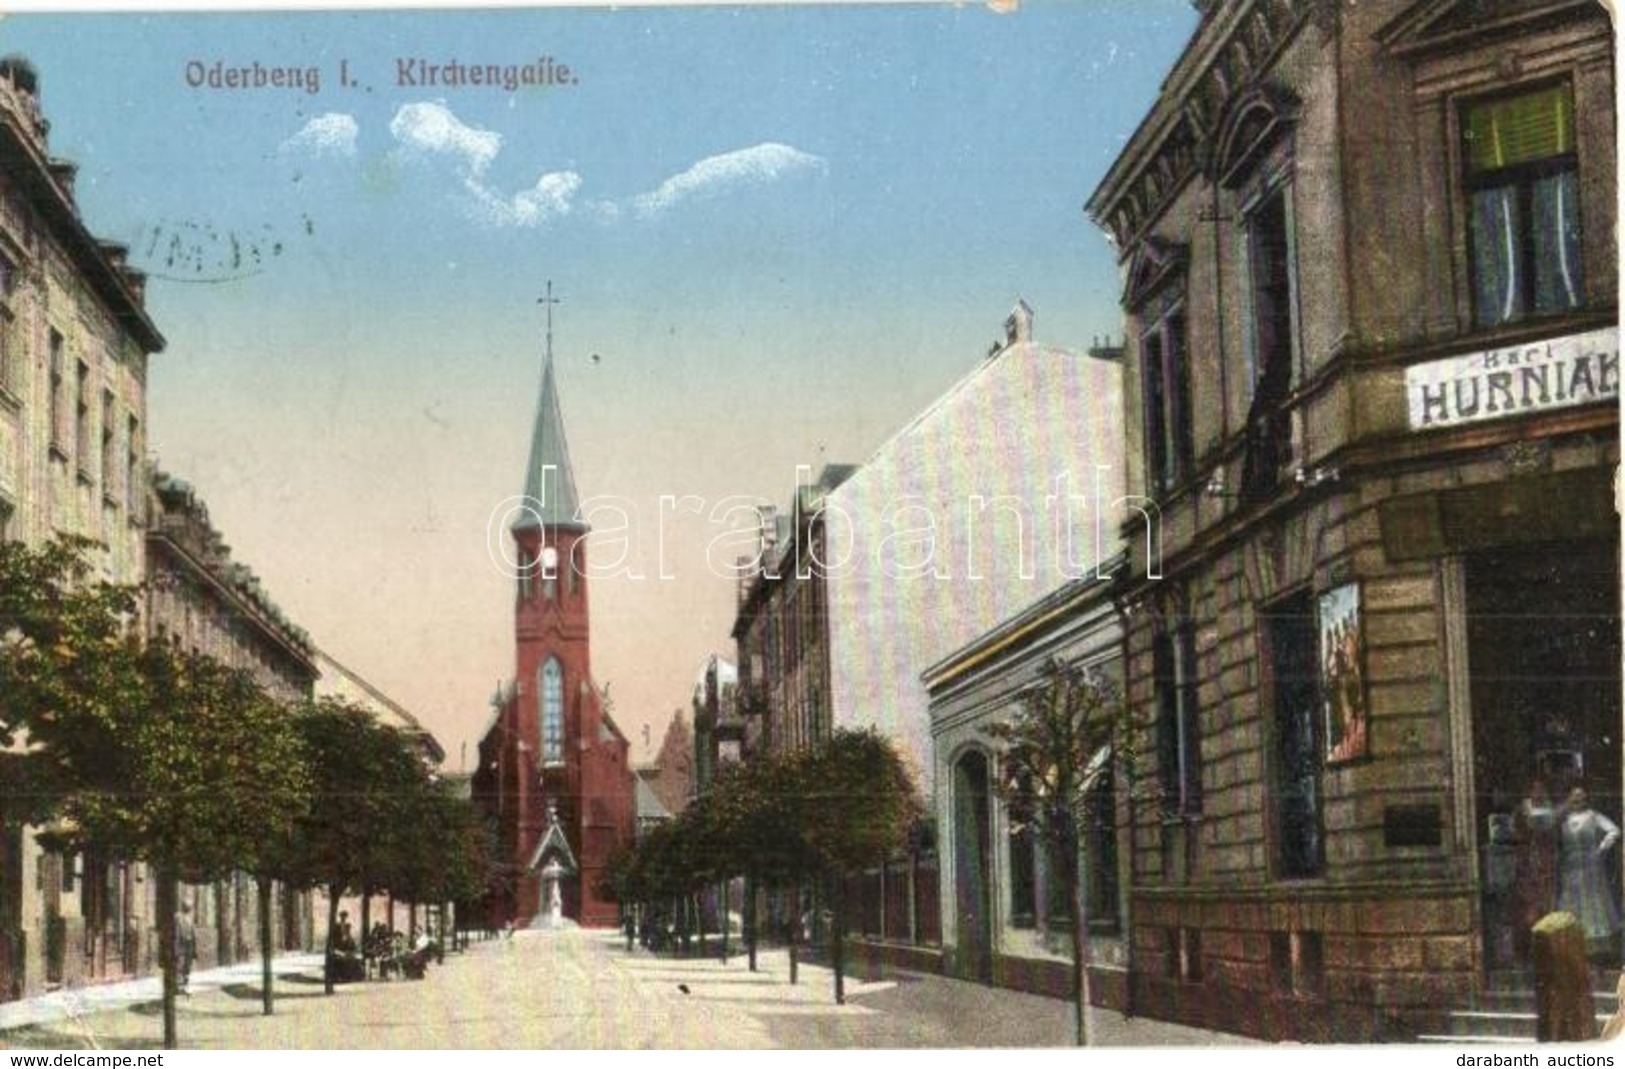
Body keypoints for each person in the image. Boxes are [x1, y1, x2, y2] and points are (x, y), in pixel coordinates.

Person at [1556, 787, 1622, 960]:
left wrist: (1601, 848)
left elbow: (1614, 831)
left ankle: (1594, 951)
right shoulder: (1564, 818)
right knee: (1573, 902)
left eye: (1581, 795)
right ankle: (1573, 946)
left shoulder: (1593, 816)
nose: (1578, 798)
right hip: (1571, 867)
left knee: (1592, 903)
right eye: (1574, 795)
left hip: (1591, 866)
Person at [1512, 779, 1559, 960]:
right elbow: (1515, 832)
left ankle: (1544, 953)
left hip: (1545, 864)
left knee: (1546, 909)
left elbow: (1553, 834)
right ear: (1529, 791)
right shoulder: (1522, 810)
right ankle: (1525, 953)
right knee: (1528, 912)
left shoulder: (1549, 808)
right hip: (1527, 866)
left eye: (1542, 789)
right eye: (1535, 789)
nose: (1538, 793)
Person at [174, 903, 197, 995]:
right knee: (180, 966)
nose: (189, 909)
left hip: (189, 945)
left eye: (190, 907)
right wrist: (176, 947)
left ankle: (184, 986)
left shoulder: (190, 919)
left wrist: (194, 949)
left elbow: (193, 934)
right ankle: (178, 987)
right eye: (188, 907)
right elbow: (177, 933)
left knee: (187, 967)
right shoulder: (178, 918)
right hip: (181, 945)